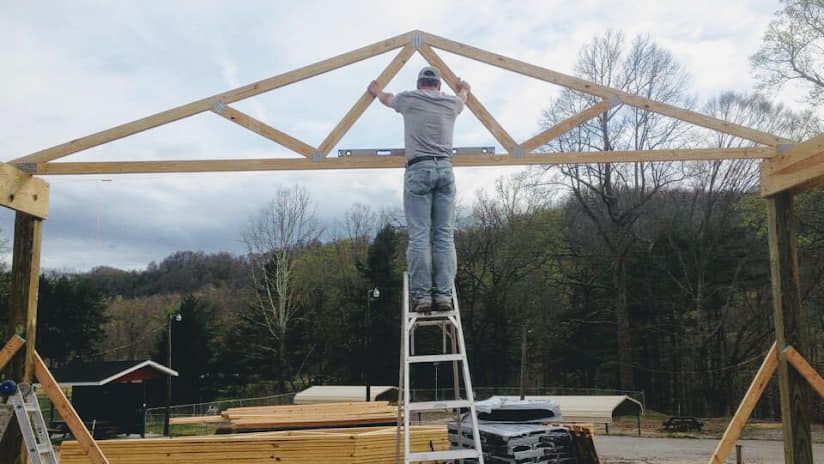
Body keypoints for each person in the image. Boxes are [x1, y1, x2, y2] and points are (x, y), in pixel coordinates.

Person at [368, 66, 470, 312]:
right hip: (445, 170)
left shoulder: (408, 99)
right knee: (444, 236)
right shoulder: (452, 103)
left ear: (419, 84)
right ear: (438, 85)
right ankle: (444, 295)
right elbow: (464, 98)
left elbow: (386, 99)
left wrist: (376, 90)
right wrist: (464, 88)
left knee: (420, 237)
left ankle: (422, 297)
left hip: (418, 170)